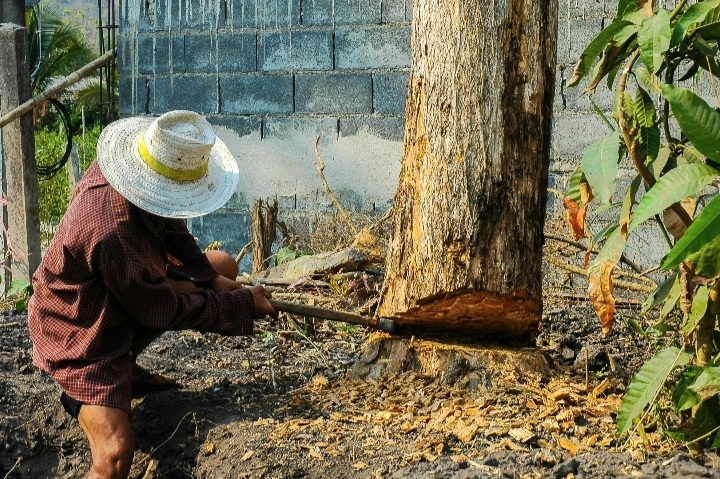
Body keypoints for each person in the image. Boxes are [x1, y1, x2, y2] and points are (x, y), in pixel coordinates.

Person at [27, 110, 277, 479]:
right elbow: (165, 310)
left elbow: (170, 221)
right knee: (114, 454)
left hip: (115, 295)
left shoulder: (134, 172)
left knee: (223, 264)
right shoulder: (113, 233)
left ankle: (125, 367)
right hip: (77, 332)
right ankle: (93, 384)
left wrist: (211, 280)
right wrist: (240, 304)